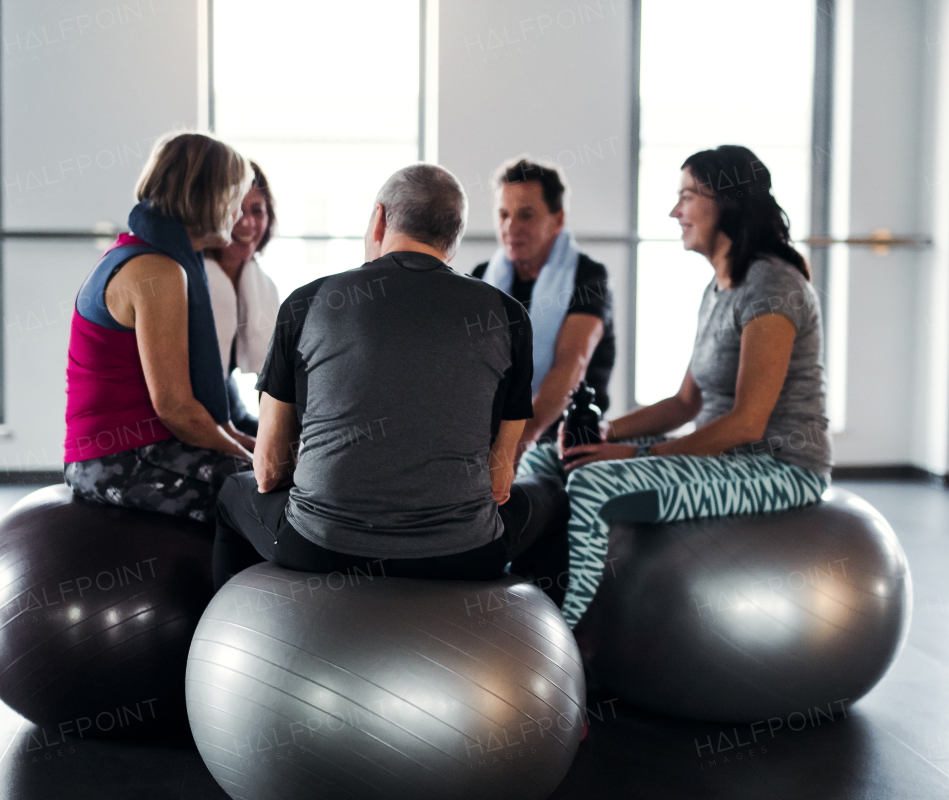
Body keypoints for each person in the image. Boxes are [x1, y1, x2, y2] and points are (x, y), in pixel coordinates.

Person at [213, 163, 570, 597]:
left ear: (380, 219)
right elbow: (500, 482)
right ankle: (548, 650)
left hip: (317, 545)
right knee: (552, 494)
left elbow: (268, 471)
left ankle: (231, 651)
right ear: (453, 240)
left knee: (233, 489)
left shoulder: (307, 302)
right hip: (464, 554)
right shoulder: (508, 314)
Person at [520, 145, 832, 627]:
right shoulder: (720, 287)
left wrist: (637, 458)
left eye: (687, 196)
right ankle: (518, 592)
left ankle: (569, 640)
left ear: (726, 202)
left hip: (778, 468)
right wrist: (603, 434)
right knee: (549, 455)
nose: (674, 211)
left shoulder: (773, 287)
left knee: (593, 482)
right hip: (723, 459)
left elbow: (748, 424)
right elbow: (686, 402)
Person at [62, 132, 256, 522]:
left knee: (273, 474)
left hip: (136, 448)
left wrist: (253, 447)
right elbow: (176, 409)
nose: (239, 216)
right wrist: (252, 458)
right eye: (236, 199)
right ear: (211, 197)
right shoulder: (157, 271)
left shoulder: (152, 256)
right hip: (119, 457)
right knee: (264, 495)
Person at [471, 158, 615, 456]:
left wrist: (520, 440)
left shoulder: (589, 277)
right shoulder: (481, 277)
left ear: (558, 219)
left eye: (526, 215)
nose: (511, 226)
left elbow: (571, 362)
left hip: (567, 439)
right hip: (490, 436)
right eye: (503, 214)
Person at [204, 161, 281, 436]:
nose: (247, 222)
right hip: (192, 413)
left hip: (227, 404)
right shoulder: (189, 278)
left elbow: (275, 379)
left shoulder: (265, 286)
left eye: (257, 211)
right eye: (236, 210)